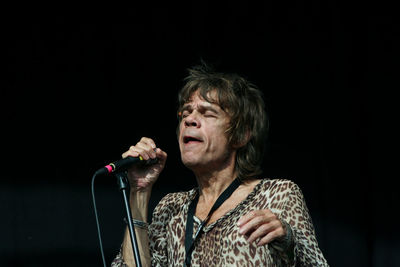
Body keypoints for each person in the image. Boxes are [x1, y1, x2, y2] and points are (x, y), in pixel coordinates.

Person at [111, 64, 328, 266]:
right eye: (185, 113)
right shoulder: (171, 208)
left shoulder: (278, 195)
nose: (189, 120)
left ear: (241, 135)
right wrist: (139, 192)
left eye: (207, 113)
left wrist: (289, 240)